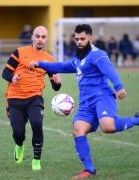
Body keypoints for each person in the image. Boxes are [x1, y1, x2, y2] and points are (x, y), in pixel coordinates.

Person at [29, 24, 139, 179]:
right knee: (78, 130)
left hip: (102, 97)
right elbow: (60, 66)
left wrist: (119, 87)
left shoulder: (98, 54)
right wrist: (40, 63)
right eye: (76, 39)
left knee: (108, 127)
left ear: (90, 38)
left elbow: (110, 70)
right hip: (86, 103)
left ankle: (137, 119)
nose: (79, 42)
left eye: (82, 39)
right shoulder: (77, 60)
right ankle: (89, 170)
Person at [2, 26, 61, 171]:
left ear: (46, 39)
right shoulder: (20, 52)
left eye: (43, 37)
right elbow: (5, 73)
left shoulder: (49, 59)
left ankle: (36, 160)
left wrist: (57, 82)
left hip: (35, 97)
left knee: (36, 123)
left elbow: (55, 86)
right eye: (38, 36)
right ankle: (19, 146)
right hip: (14, 98)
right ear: (32, 37)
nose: (40, 39)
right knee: (18, 132)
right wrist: (12, 77)